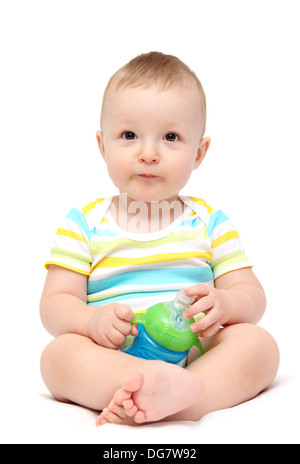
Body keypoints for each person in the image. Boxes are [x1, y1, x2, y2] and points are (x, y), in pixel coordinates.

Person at [40, 52, 279, 426]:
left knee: (258, 345)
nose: (148, 154)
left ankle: (184, 393)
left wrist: (226, 303)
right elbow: (55, 304)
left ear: (198, 152)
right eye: (130, 135)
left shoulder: (210, 222)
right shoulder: (83, 224)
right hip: (115, 353)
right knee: (58, 355)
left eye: (170, 137)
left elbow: (253, 297)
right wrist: (90, 322)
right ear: (103, 146)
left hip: (195, 351)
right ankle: (138, 386)